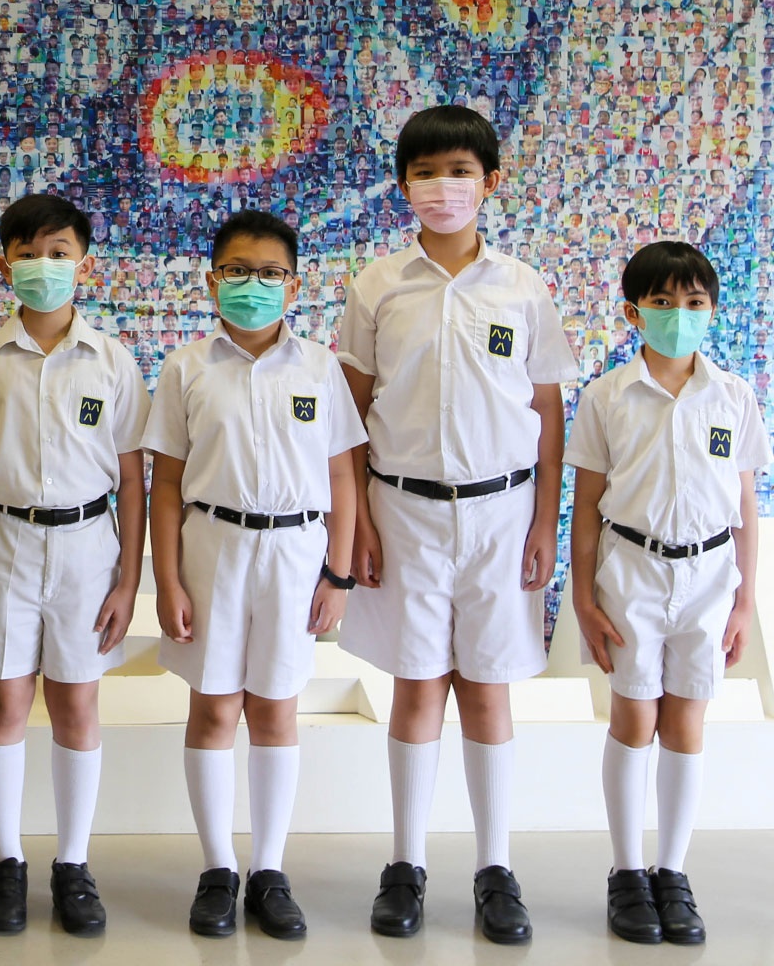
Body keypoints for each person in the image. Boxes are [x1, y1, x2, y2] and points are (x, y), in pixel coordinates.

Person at [336, 105, 577, 944]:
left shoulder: (522, 287)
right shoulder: (377, 285)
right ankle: (404, 866)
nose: (444, 187)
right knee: (416, 686)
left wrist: (544, 521)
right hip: (401, 509)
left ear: (491, 182)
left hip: (502, 513)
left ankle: (494, 870)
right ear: (403, 185)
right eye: (426, 173)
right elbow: (349, 414)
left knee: (485, 687)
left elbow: (548, 413)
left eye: (460, 172)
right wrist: (358, 524)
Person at [143, 209, 364, 940]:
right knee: (214, 709)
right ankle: (218, 869)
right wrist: (167, 581)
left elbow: (342, 475)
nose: (253, 284)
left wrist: (337, 575)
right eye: (237, 271)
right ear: (212, 280)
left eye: (270, 273)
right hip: (213, 548)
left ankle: (269, 871)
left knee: (275, 709)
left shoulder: (319, 368)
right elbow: (166, 485)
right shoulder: (186, 367)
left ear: (294, 286)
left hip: (296, 554)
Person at [0, 193, 148, 937]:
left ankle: (73, 864)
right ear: (5, 266)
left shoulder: (112, 359)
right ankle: (6, 862)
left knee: (76, 705)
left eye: (59, 253)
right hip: (3, 543)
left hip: (88, 547)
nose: (44, 266)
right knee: (3, 702)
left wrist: (129, 580)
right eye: (28, 254)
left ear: (84, 263)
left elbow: (133, 480)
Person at [568, 241, 767, 945]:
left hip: (710, 577)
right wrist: (585, 600)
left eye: (693, 302)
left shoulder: (734, 396)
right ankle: (627, 873)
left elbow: (744, 507)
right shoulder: (606, 397)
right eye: (662, 302)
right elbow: (585, 508)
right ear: (634, 313)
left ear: (711, 311)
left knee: (686, 722)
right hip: (632, 572)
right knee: (634, 718)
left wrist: (744, 601)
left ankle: (672, 872)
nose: (678, 315)